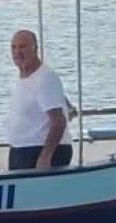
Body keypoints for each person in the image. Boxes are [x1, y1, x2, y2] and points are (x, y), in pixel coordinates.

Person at [5, 29, 73, 171]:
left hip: (39, 150)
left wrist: (45, 156)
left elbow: (59, 122)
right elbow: (48, 98)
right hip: (21, 150)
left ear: (35, 48)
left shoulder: (45, 78)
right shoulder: (23, 77)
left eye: (22, 47)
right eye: (14, 47)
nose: (17, 52)